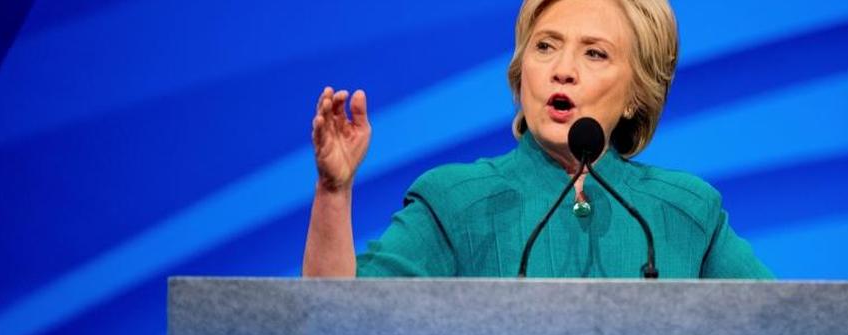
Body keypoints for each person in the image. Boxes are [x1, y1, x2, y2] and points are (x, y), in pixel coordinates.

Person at [302, 0, 772, 279]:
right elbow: (339, 322)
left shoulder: (686, 211)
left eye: (594, 53)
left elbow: (783, 329)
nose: (562, 70)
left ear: (636, 94)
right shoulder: (455, 201)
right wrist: (333, 191)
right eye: (545, 46)